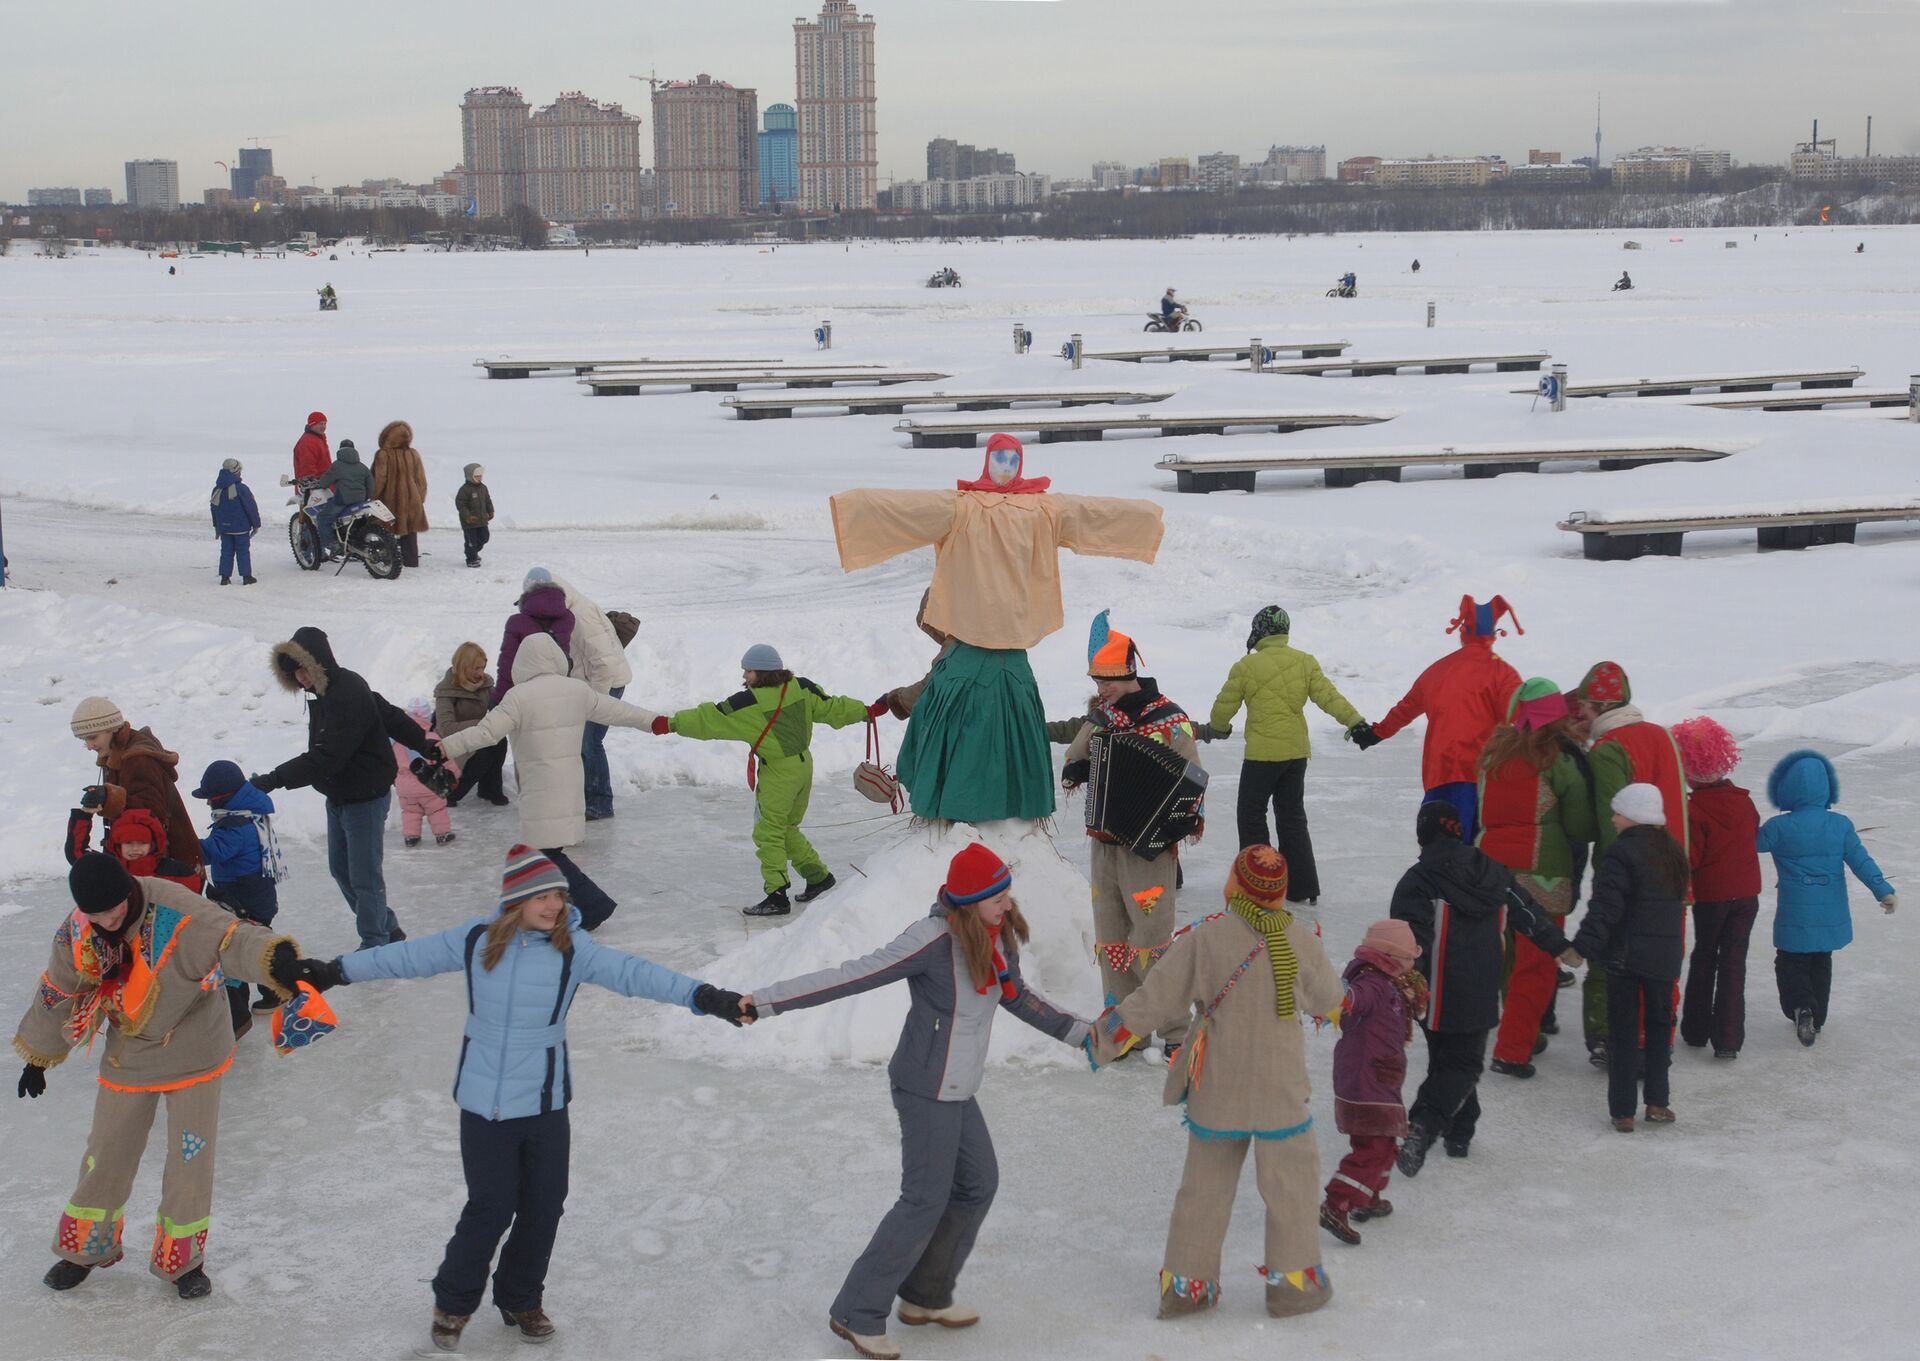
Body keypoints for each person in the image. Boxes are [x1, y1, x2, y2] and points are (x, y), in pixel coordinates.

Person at [289, 845, 747, 1354]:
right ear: (516, 900)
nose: (554, 905)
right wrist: (336, 971)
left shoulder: (575, 948)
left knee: (545, 1206)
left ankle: (519, 1296)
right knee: (490, 1208)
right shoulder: (475, 941)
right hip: (483, 1105)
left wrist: (704, 996)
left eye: (559, 894)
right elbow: (403, 956)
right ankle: (453, 1303)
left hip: (547, 1102)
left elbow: (639, 974)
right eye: (542, 896)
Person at [744, 844, 1090, 1361]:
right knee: (923, 1199)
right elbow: (850, 975)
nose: (1008, 903)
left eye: (1007, 893)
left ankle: (925, 1295)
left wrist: (1084, 1034)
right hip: (924, 1086)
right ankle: (856, 1312)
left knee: (977, 1185)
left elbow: (1016, 996)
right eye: (997, 897)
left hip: (959, 1086)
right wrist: (764, 1003)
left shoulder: (997, 939)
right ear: (971, 902)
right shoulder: (931, 940)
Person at [13, 853, 304, 1300]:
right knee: (106, 1151)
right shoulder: (79, 929)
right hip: (130, 1050)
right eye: (96, 915)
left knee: (191, 1158)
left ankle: (184, 1262)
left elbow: (232, 939)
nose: (108, 921)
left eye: (114, 910)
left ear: (129, 890)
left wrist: (275, 958)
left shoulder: (176, 908)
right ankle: (83, 1250)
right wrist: (40, 1055)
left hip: (196, 1047)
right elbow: (61, 985)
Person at [830, 436, 1164, 823]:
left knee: (964, 733)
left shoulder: (1033, 509)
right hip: (1001, 660)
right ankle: (979, 818)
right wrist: (1145, 520)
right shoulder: (979, 507)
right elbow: (901, 509)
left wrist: (1144, 518)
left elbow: (1095, 513)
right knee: (1003, 733)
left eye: (1011, 459)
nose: (1005, 466)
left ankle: (964, 815)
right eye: (999, 459)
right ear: (989, 462)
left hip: (993, 658)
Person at [1091, 845, 1342, 1321]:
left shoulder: (1208, 939)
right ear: (1280, 893)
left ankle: (1187, 1289)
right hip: (1280, 1089)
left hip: (1217, 1086)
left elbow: (1155, 998)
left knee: (1203, 1189)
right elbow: (1330, 1000)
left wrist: (1104, 1039)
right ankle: (1293, 1287)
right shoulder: (1300, 941)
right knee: (1293, 1185)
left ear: (1235, 885)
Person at [1391, 800, 1569, 1174]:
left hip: (1434, 991)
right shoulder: (1493, 871)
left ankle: (1437, 1126)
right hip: (1481, 986)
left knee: (1451, 1062)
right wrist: (1559, 945)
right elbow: (1527, 911)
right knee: (1461, 1063)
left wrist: (1406, 984)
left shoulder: (1418, 879)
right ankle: (1442, 1126)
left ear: (1424, 834)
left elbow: (1410, 940)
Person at [438, 634, 659, 931]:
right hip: (569, 790)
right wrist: (655, 722)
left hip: (540, 792)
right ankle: (553, 910)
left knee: (543, 854)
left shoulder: (518, 697)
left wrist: (444, 748)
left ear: (522, 663)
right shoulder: (576, 691)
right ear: (556, 658)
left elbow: (485, 733)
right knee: (543, 854)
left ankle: (592, 908)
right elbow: (618, 711)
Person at [1061, 614, 1203, 1059]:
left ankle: (1176, 1031)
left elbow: (1194, 780)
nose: (1100, 689)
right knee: (1112, 937)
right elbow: (1072, 759)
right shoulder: (1102, 718)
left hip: (1150, 849)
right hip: (1106, 841)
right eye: (1096, 681)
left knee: (1153, 940)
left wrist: (1177, 822)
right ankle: (1127, 1028)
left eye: (1106, 681)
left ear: (1128, 677)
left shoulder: (1170, 720)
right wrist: (1081, 767)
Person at [651, 643, 875, 916]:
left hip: (779, 773)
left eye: (748, 671)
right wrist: (867, 710)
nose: (744, 676)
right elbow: (834, 708)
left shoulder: (749, 703)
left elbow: (707, 717)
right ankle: (818, 876)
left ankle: (776, 895)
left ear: (762, 673)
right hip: (804, 766)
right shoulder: (800, 687)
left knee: (768, 832)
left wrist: (670, 723)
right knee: (788, 826)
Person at [251, 626, 438, 948]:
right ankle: (388, 928)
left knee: (364, 877)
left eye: (303, 669)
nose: (301, 678)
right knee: (341, 870)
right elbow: (388, 714)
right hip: (339, 794)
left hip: (364, 796)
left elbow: (327, 756)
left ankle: (375, 942)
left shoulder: (346, 692)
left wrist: (274, 779)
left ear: (319, 662)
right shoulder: (326, 692)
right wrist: (422, 742)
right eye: (294, 672)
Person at [1568, 661, 1689, 1065]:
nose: (1580, 715)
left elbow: (1609, 821)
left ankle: (1606, 1037)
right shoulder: (1661, 735)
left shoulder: (1607, 751)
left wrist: (1608, 875)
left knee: (1612, 952)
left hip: (1628, 870)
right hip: (1672, 867)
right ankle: (1657, 1041)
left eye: (1583, 706)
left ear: (1600, 706)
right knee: (1662, 956)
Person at [1475, 678, 1596, 1077]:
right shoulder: (1559, 759)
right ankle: (1512, 1049)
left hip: (1490, 870)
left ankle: (1524, 1032)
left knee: (1505, 959)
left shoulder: (1494, 753)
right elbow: (1580, 824)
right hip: (1542, 875)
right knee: (1536, 965)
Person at [1207, 604, 1368, 901]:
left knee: (1251, 815)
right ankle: (1303, 887)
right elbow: (1329, 697)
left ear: (1260, 631)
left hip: (1261, 757)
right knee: (1292, 816)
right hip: (1295, 756)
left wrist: (1218, 728)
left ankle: (1257, 885)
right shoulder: (1304, 662)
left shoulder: (1246, 666)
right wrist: (1355, 721)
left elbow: (1223, 707)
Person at [1567, 785, 1688, 1132]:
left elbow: (1606, 908)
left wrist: (1583, 946)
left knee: (1622, 1032)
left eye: (1617, 813)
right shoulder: (1673, 851)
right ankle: (1657, 1103)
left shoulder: (1620, 854)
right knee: (1659, 1028)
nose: (1613, 819)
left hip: (1626, 957)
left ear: (1633, 815)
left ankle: (1622, 1111)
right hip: (1664, 957)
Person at [1356, 594, 1525, 842]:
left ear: (1463, 630)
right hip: (1485, 777)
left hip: (1441, 773)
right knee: (1481, 853)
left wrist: (1376, 733)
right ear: (1493, 633)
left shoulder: (1437, 670)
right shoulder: (1502, 672)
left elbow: (1406, 708)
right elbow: (1520, 716)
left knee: (1442, 850)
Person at [1757, 749, 1896, 1046]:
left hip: (1795, 912)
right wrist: (1883, 890)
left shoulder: (1778, 827)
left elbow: (1747, 845)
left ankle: (1802, 1006)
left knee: (1790, 961)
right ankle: (1816, 1018)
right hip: (1830, 913)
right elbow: (1861, 861)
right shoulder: (1840, 825)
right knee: (1821, 959)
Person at [1320, 919, 1427, 1246]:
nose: (1413, 964)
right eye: (1409, 958)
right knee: (1375, 1146)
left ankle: (1367, 1196)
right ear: (1390, 956)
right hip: (1367, 1079)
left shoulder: (1390, 982)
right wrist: (1340, 997)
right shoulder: (1374, 983)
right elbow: (1348, 1002)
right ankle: (1337, 1203)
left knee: (1383, 1142)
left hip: (1377, 1075)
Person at [1671, 717, 1760, 1057]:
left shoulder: (1695, 811)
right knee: (1735, 962)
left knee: (1705, 955)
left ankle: (1695, 1029)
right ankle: (1728, 1040)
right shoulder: (1744, 802)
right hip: (1747, 894)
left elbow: (1690, 859)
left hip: (1711, 898)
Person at [69, 697, 204, 875]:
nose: (89, 746)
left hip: (168, 864)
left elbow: (151, 811)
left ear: (112, 728)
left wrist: (108, 797)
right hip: (144, 859)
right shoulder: (115, 757)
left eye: (93, 737)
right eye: (84, 740)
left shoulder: (138, 759)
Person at [192, 760, 283, 1021]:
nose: (208, 804)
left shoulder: (236, 826)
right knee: (256, 944)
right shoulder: (248, 811)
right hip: (258, 893)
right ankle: (276, 990)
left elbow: (212, 851)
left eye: (210, 799)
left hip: (245, 897)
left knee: (239, 950)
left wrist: (186, 844)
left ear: (223, 798)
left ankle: (240, 1012)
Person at [543, 572, 635, 821]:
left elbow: (603, 665)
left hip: (607, 684)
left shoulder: (580, 616)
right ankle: (584, 797)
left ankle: (600, 803)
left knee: (589, 742)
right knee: (578, 741)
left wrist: (597, 703)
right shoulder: (561, 613)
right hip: (588, 683)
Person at [437, 642, 509, 807]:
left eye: (482, 668)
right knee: (485, 751)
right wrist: (479, 725)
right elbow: (445, 728)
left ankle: (490, 789)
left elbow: (500, 707)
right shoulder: (446, 691)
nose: (480, 673)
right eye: (476, 668)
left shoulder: (485, 685)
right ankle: (453, 792)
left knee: (499, 740)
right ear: (463, 667)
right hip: (453, 745)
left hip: (476, 738)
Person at [493, 567, 576, 706]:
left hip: (527, 697)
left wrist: (499, 699)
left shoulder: (517, 622)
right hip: (558, 692)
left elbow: (508, 665)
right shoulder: (567, 618)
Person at [394, 698, 458, 848]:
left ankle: (411, 837)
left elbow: (392, 763)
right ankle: (442, 834)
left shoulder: (397, 742)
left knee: (410, 812)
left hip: (405, 788)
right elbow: (446, 759)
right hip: (430, 785)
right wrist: (455, 773)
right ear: (428, 717)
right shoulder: (433, 739)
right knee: (437, 810)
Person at [370, 420, 429, 570]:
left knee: (385, 529)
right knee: (409, 531)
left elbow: (379, 481)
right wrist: (419, 499)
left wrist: (373, 498)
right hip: (412, 500)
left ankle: (388, 558)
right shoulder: (413, 454)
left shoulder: (383, 455)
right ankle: (411, 560)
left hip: (390, 501)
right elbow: (421, 480)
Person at [104, 809, 204, 894]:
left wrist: (185, 918)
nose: (135, 848)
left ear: (152, 845)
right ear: (119, 846)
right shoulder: (109, 872)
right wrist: (87, 815)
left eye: (142, 843)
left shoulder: (178, 872)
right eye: (128, 843)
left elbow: (203, 902)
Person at [311, 438, 373, 559]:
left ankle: (332, 545)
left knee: (323, 518)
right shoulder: (363, 467)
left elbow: (324, 482)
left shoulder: (337, 465)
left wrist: (319, 483)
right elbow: (371, 485)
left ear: (340, 450)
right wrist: (366, 498)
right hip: (360, 501)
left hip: (343, 500)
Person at [208, 457, 260, 585]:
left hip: (225, 529)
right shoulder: (242, 489)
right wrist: (256, 524)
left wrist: (217, 526)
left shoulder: (217, 490)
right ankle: (246, 576)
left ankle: (225, 577)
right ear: (236, 472)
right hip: (241, 528)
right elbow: (251, 507)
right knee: (243, 551)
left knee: (226, 552)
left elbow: (214, 509)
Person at [456, 462, 494, 568]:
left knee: (484, 537)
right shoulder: (464, 490)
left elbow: (488, 500)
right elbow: (461, 505)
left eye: (480, 476)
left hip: (482, 520)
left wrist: (490, 511)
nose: (479, 478)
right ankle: (471, 558)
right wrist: (468, 516)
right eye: (476, 476)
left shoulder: (483, 488)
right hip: (470, 522)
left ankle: (472, 552)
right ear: (470, 476)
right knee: (471, 541)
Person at [292, 411, 329, 483]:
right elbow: (307, 468)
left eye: (325, 424)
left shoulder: (319, 440)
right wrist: (314, 484)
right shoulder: (308, 442)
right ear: (312, 425)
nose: (323, 426)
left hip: (323, 487)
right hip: (313, 489)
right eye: (320, 424)